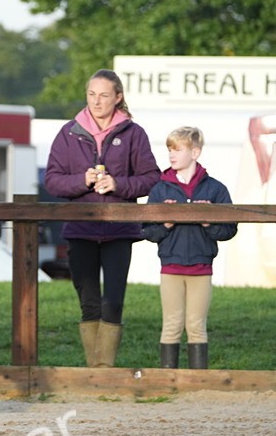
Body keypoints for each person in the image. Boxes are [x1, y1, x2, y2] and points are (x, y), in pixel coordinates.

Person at [44, 70, 160, 367]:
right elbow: (53, 181)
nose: (97, 101)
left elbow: (151, 179)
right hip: (79, 228)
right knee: (89, 302)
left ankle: (105, 368)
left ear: (118, 97)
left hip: (120, 229)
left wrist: (118, 184)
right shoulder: (68, 133)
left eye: (104, 95)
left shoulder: (134, 133)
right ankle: (93, 370)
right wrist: (81, 181)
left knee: (114, 301)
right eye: (92, 94)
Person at [141, 127, 237, 369]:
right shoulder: (159, 190)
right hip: (170, 267)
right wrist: (166, 223)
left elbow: (229, 229)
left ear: (195, 152)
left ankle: (198, 380)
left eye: (177, 149)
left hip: (202, 267)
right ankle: (168, 378)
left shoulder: (216, 189)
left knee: (196, 325)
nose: (171, 155)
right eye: (169, 149)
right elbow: (146, 231)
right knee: (171, 324)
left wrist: (208, 222)